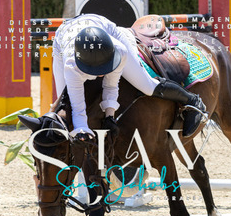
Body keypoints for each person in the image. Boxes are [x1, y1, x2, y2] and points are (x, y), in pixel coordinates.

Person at [52, 13, 207, 140]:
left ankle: (192, 100)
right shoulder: (71, 66)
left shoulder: (119, 51)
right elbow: (78, 109)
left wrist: (109, 116)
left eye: (104, 67)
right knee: (64, 104)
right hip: (62, 38)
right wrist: (81, 131)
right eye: (96, 69)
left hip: (106, 29)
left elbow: (110, 85)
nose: (101, 74)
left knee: (147, 86)